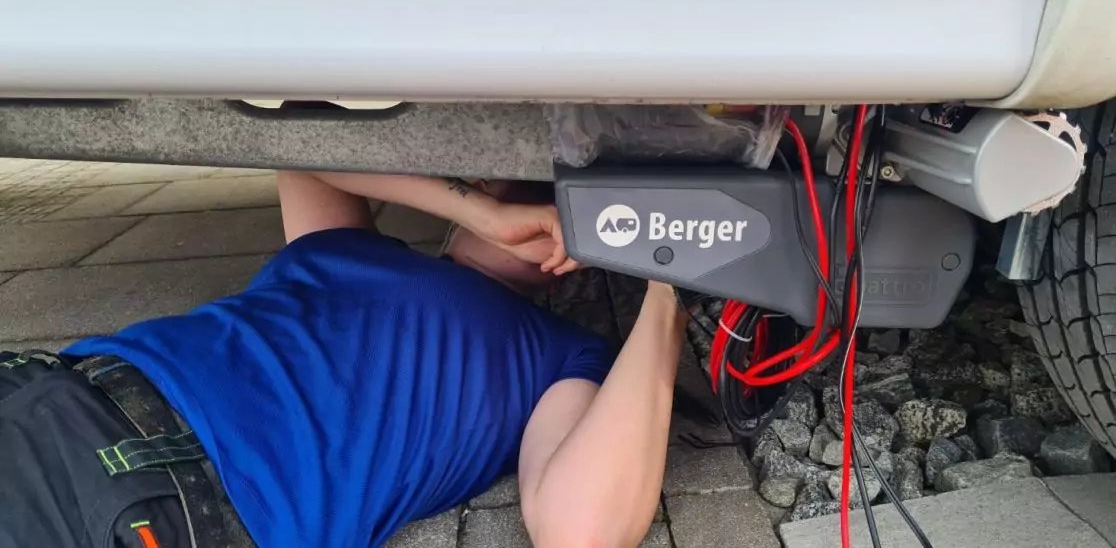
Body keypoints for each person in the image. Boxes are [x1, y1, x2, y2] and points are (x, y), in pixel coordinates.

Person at [0, 170, 689, 548]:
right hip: (57, 392)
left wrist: (671, 279)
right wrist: (480, 210)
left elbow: (580, 533)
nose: (537, 209)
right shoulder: (340, 243)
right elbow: (296, 130)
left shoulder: (563, 360)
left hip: (173, 501)